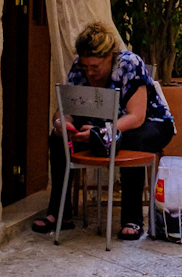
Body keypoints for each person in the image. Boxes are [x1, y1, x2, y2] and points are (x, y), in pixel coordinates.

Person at [32, 21, 174, 239]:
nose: (90, 73)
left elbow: (136, 116)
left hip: (148, 124)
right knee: (58, 139)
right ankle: (60, 213)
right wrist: (63, 124)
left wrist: (102, 132)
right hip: (99, 128)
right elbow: (65, 109)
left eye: (95, 68)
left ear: (110, 57)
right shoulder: (79, 67)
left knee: (125, 139)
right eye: (86, 67)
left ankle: (132, 218)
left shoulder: (128, 63)